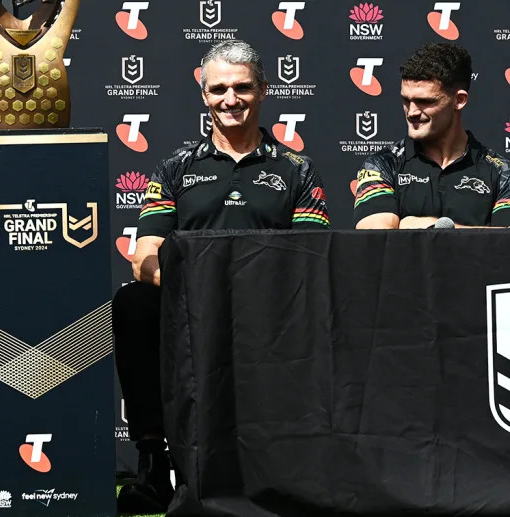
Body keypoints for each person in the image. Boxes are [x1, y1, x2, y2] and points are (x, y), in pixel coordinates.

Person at [115, 40, 330, 513]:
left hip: (272, 308)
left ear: (263, 91)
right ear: (204, 94)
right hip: (190, 305)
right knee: (133, 301)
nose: (230, 99)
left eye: (242, 88)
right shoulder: (176, 168)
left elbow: (310, 254)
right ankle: (153, 463)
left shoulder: (296, 169)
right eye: (219, 89)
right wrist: (194, 289)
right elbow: (145, 254)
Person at [354, 43, 510, 229]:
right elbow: (375, 238)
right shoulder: (382, 164)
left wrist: (432, 227)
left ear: (459, 100)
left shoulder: (501, 172)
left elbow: (503, 246)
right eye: (406, 100)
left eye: (424, 101)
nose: (412, 112)